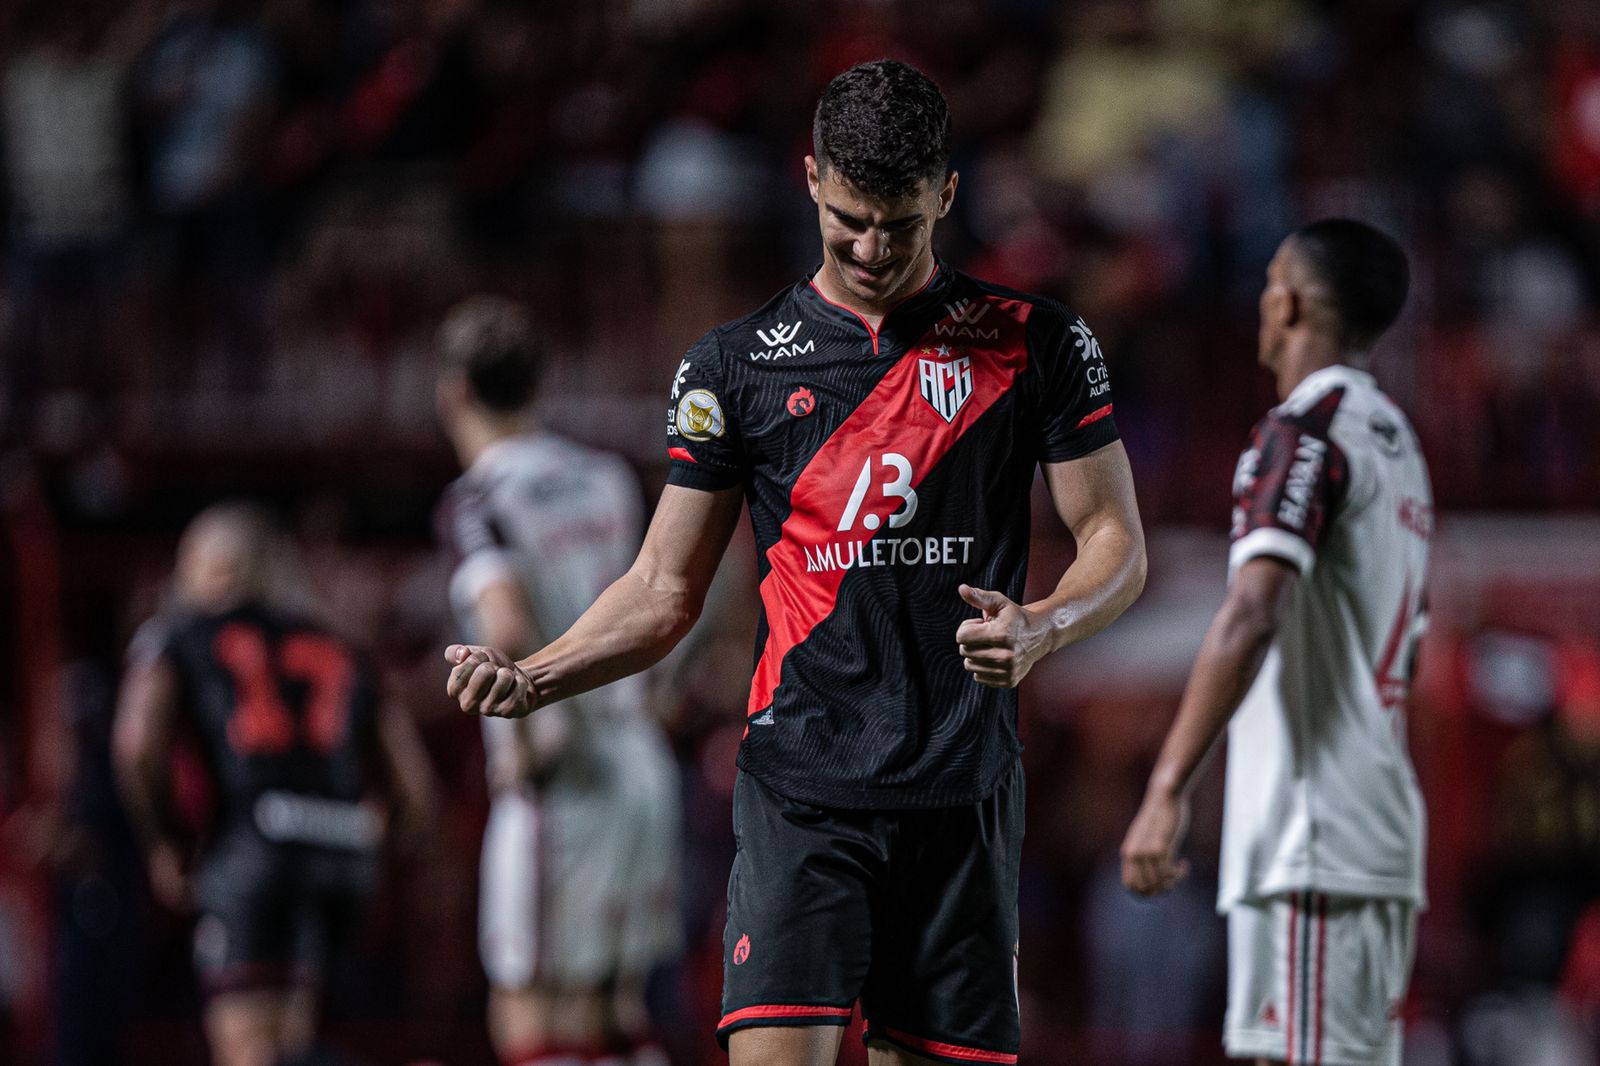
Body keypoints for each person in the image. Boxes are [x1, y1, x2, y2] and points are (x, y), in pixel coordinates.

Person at [447, 59, 1146, 1066]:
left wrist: (1044, 623)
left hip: (962, 793)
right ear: (811, 177)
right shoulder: (732, 367)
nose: (872, 249)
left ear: (947, 195)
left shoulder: (1034, 343)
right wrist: (535, 674)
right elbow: (663, 587)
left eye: (900, 225)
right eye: (850, 219)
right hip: (801, 791)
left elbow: (1115, 542)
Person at [1120, 219, 1431, 1066]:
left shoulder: (1305, 431)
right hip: (1358, 823)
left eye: (1267, 284)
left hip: (1314, 831)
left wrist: (1167, 786)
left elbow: (1251, 611)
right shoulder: (1398, 445)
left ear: (1288, 300)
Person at [434, 295, 681, 1066]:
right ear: (539, 384)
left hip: (563, 771)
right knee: (616, 1007)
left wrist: (525, 739)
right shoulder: (606, 475)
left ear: (453, 392)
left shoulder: (478, 500)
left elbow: (504, 630)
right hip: (638, 761)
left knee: (532, 1006)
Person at [113, 502, 434, 1066]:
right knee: (288, 1041)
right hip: (345, 851)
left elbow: (137, 747)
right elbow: (413, 788)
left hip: (253, 849)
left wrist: (168, 842)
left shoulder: (178, 633)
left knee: (249, 1050)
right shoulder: (343, 643)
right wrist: (369, 847)